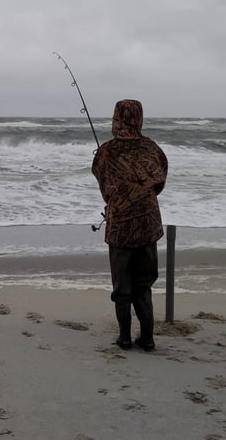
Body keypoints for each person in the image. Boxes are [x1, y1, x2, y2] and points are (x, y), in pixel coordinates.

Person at [92, 99, 168, 351]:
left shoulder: (106, 151)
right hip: (148, 225)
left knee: (122, 287)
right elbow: (159, 184)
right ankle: (147, 338)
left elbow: (105, 189)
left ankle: (124, 337)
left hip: (120, 228)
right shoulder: (153, 149)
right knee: (143, 284)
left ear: (117, 118)